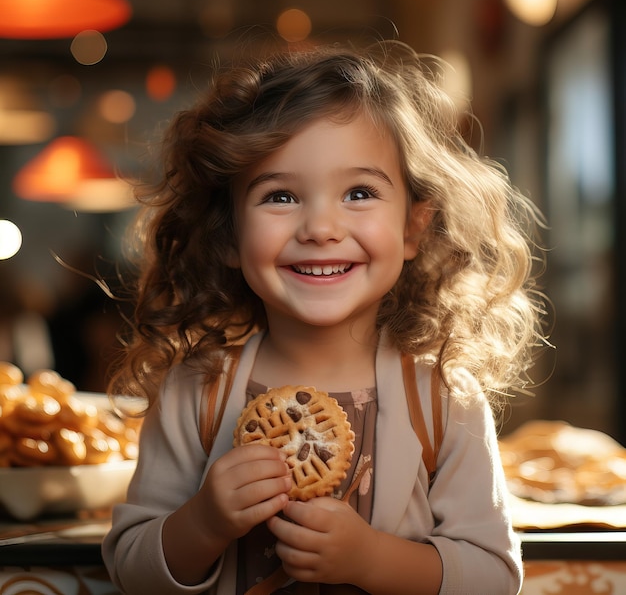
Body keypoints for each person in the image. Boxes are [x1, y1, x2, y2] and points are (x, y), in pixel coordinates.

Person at [102, 39, 548, 595]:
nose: (320, 228)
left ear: (412, 228)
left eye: (359, 192)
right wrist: (203, 522)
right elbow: (131, 571)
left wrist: (373, 562)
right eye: (280, 197)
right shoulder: (197, 391)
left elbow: (495, 577)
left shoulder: (441, 399)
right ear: (228, 235)